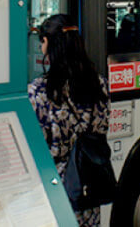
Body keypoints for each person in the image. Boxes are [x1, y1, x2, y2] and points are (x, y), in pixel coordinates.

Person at [27, 14, 110, 227]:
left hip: (54, 188)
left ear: (48, 44)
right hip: (86, 184)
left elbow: (36, 144)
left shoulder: (39, 91)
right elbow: (101, 128)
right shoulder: (98, 83)